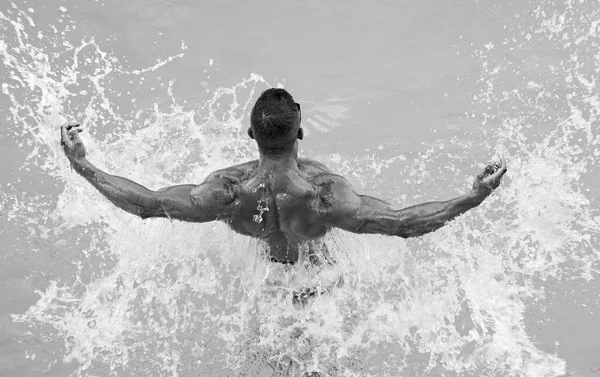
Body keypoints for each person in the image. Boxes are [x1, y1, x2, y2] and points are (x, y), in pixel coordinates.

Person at [60, 88, 507, 265]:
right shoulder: (324, 197)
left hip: (265, 295)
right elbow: (405, 224)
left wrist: (83, 164)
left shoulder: (225, 193)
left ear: (250, 133)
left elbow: (146, 203)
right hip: (320, 292)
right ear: (302, 133)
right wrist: (472, 197)